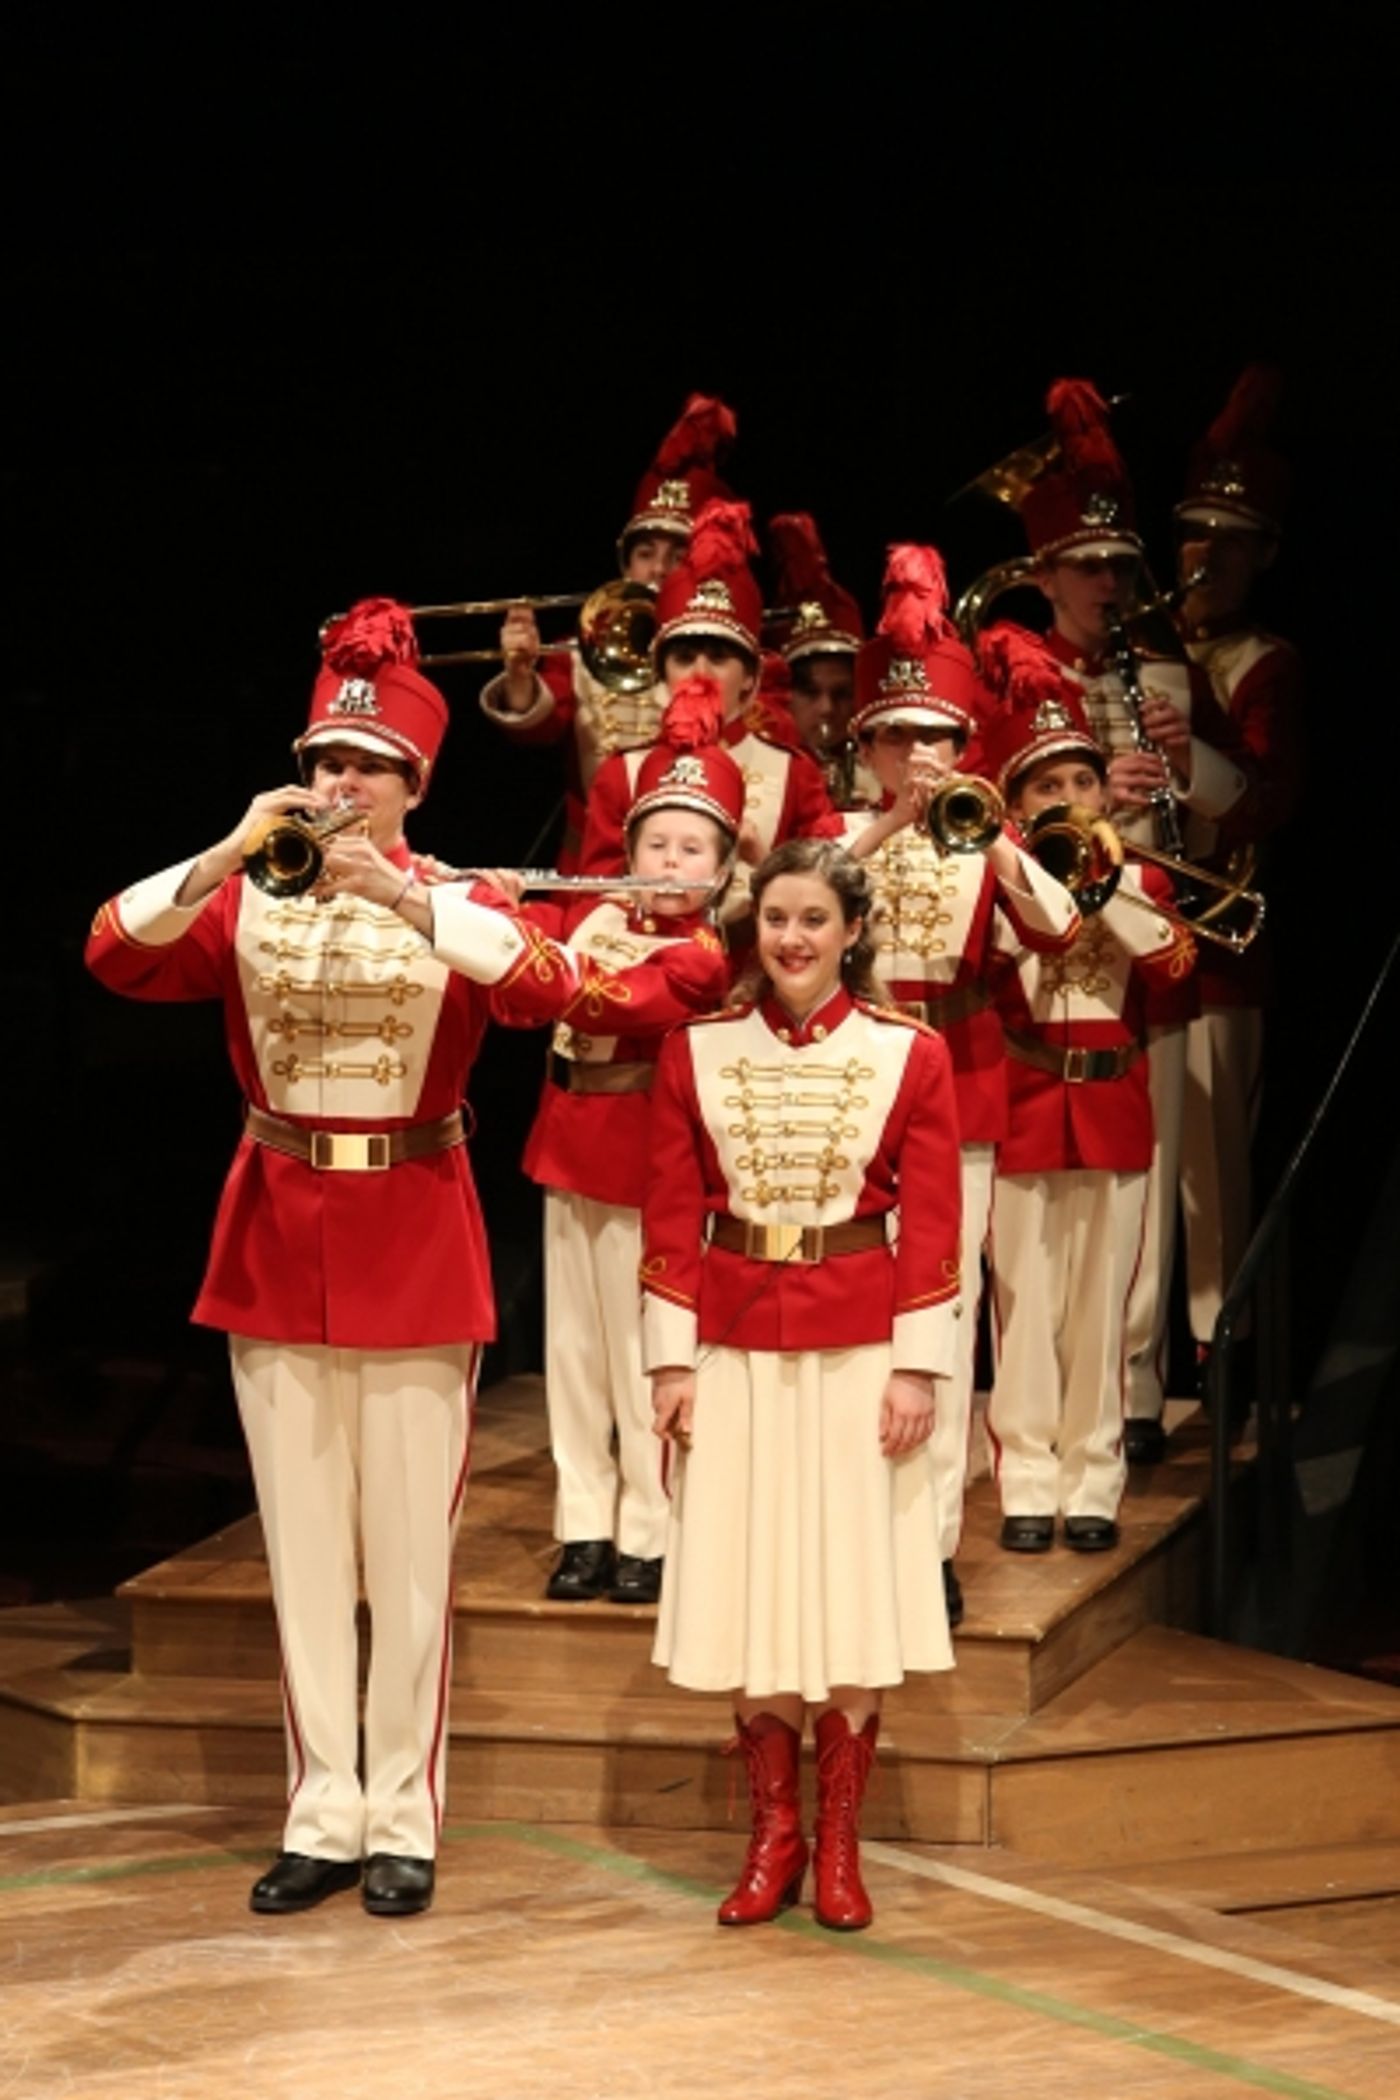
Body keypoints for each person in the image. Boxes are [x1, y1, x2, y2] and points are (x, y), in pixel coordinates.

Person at [83, 599, 640, 1919]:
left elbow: (549, 988)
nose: (337, 783)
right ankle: (319, 1811)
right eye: (323, 761)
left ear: (413, 784)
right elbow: (112, 950)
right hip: (275, 1239)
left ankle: (404, 1816)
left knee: (406, 1561)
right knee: (303, 1558)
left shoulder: (458, 898)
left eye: (364, 766)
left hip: (412, 1236)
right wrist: (226, 854)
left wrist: (406, 895)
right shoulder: (254, 902)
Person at [643, 838, 962, 1932]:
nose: (791, 939)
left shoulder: (906, 1053)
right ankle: (772, 1836)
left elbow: (932, 1225)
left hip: (860, 1346)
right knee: (752, 1591)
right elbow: (667, 1212)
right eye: (776, 918)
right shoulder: (695, 1050)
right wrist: (671, 1358)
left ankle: (839, 1846)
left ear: (851, 932)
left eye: (813, 921)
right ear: (753, 927)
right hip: (732, 1346)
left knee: (847, 1590)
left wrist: (919, 1366)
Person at [1011, 378, 1249, 1459]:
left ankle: (1136, 1396)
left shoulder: (1162, 665)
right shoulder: (1009, 674)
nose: (1110, 583)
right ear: (1043, 575)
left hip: (1144, 936)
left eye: (1119, 565)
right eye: (1088, 566)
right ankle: (1042, 1410)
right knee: (1037, 1216)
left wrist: (1173, 757)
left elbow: (1235, 803)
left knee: (1141, 1184)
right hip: (1039, 960)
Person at [842, 546, 1080, 1623]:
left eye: (936, 737)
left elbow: (1058, 927)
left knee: (942, 1318)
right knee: (850, 1323)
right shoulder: (838, 834)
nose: (919, 755)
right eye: (897, 738)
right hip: (849, 1090)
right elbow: (774, 915)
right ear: (869, 749)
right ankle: (851, 1537)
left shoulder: (986, 840)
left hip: (956, 1088)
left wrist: (994, 838)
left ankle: (930, 1546)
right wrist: (891, 822)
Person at [497, 679, 742, 1605]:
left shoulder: (708, 951)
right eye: (655, 843)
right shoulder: (592, 916)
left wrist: (524, 943)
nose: (669, 860)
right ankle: (585, 1524)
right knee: (574, 1352)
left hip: (651, 1160)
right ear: (626, 847)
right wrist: (500, 904)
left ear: (720, 867)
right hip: (568, 1143)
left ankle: (651, 1525)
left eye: (691, 848)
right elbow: (516, 1000)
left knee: (650, 1349)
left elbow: (605, 999)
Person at [977, 634, 1197, 1551]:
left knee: (1102, 1305)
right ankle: (1026, 1478)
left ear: (1106, 794)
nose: (1068, 800)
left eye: (1081, 784)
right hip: (1023, 1106)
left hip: (1111, 1107)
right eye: (1046, 789)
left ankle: (1093, 1479)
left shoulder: (1139, 876)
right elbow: (987, 970)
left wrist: (1107, 887)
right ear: (1017, 807)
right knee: (1023, 1301)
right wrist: (1030, 881)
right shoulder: (993, 883)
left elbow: (1177, 967)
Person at [1172, 366, 1304, 1385]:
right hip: (1115, 948)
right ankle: (1128, 1383)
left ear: (1261, 556)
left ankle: (1221, 1362)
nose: (1201, 557)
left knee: (1214, 1177)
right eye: (1190, 534)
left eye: (1226, 541)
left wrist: (1184, 722)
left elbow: (1260, 800)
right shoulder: (1129, 648)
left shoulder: (1261, 662)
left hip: (1216, 945)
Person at [479, 393, 737, 867]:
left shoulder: (734, 658)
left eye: (676, 556)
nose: (658, 570)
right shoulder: (585, 646)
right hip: (593, 863)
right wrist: (519, 673)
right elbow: (539, 728)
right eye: (646, 554)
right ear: (625, 562)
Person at [578, 499, 844, 918]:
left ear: (752, 680)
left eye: (719, 658)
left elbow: (827, 898)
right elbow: (595, 901)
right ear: (660, 673)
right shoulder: (621, 773)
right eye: (683, 658)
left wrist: (764, 861)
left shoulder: (795, 773)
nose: (699, 673)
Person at [765, 511, 874, 806]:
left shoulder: (887, 774)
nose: (826, 709)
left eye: (842, 694)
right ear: (783, 696)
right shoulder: (759, 774)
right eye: (810, 692)